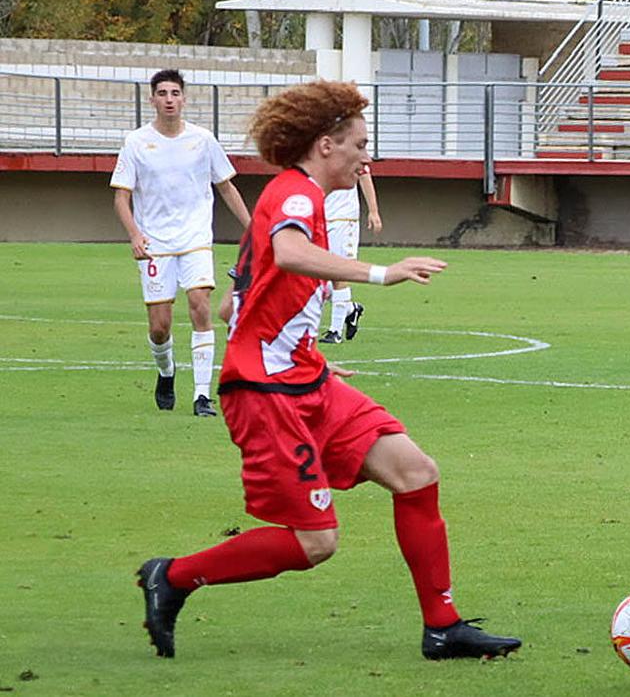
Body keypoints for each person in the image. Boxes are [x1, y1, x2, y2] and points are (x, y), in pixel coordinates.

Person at [135, 80, 521, 661]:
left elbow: (233, 301)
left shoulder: (298, 196)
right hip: (267, 393)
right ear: (324, 145)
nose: (367, 156)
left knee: (415, 471)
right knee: (316, 543)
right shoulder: (297, 196)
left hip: (303, 375)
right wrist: (380, 273)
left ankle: (442, 626)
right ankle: (174, 576)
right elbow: (288, 253)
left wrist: (293, 339)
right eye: (360, 144)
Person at [111, 68, 251, 417]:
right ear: (152, 99)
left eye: (175, 93)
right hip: (156, 242)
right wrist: (135, 235)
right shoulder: (136, 142)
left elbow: (226, 186)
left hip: (195, 238)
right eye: (163, 93)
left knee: (200, 305)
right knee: (160, 327)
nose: (169, 100)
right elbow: (120, 198)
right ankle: (166, 371)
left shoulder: (203, 139)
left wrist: (253, 227)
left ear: (184, 98)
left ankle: (202, 395)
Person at [319, 163, 383, 344]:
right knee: (318, 275)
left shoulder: (351, 151)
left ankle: (335, 331)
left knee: (340, 272)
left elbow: (364, 175)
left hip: (343, 219)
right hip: (320, 218)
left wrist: (373, 211)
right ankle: (349, 310)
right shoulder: (317, 150)